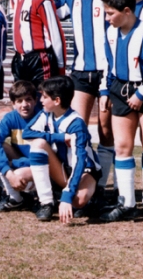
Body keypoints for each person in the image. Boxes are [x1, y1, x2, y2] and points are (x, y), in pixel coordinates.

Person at [98, 0, 143, 227]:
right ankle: (126, 203)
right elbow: (108, 64)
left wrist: (141, 93)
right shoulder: (110, 32)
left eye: (110, 13)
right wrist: (105, 90)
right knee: (123, 146)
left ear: (126, 11)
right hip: (120, 91)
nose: (107, 18)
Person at [54, 0, 114, 201]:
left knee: (105, 129)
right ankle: (84, 177)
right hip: (79, 72)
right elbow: (51, 16)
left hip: (106, 73)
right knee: (77, 127)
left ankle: (104, 187)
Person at [23, 76, 101, 223]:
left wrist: (67, 197)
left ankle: (89, 195)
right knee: (37, 145)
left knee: (77, 200)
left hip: (84, 169)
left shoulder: (76, 124)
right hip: (62, 167)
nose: (41, 100)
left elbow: (80, 163)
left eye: (44, 97)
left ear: (57, 101)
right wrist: (59, 137)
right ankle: (46, 202)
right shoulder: (46, 114)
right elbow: (27, 133)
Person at [0, 0, 67, 87]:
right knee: (22, 106)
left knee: (42, 106)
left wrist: (60, 69)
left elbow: (56, 34)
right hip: (20, 59)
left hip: (39, 59)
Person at [0, 80, 40, 211]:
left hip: (42, 165)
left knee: (12, 169)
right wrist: (7, 170)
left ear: (35, 100)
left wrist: (13, 164)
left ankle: (45, 197)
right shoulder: (10, 118)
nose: (24, 105)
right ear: (13, 103)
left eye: (28, 99)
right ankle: (16, 199)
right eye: (19, 101)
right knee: (0, 152)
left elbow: (48, 156)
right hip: (22, 162)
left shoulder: (42, 117)